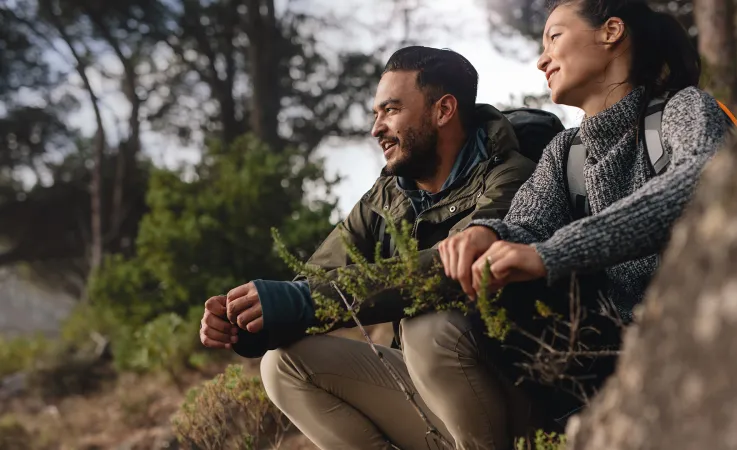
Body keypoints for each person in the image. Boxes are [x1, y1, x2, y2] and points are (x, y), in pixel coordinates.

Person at [199, 46, 563, 449]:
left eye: (390, 110)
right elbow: (314, 282)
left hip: (523, 405)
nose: (377, 128)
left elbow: (445, 275)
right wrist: (250, 322)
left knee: (428, 325)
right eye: (376, 114)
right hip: (439, 403)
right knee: (282, 365)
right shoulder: (387, 197)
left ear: (443, 111)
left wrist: (298, 301)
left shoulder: (513, 175)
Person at [438, 0, 733, 427]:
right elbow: (526, 225)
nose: (541, 59)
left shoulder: (683, 108)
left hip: (713, 331)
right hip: (621, 363)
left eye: (554, 37)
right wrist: (487, 232)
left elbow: (698, 183)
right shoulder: (564, 152)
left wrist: (553, 252)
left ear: (611, 31)